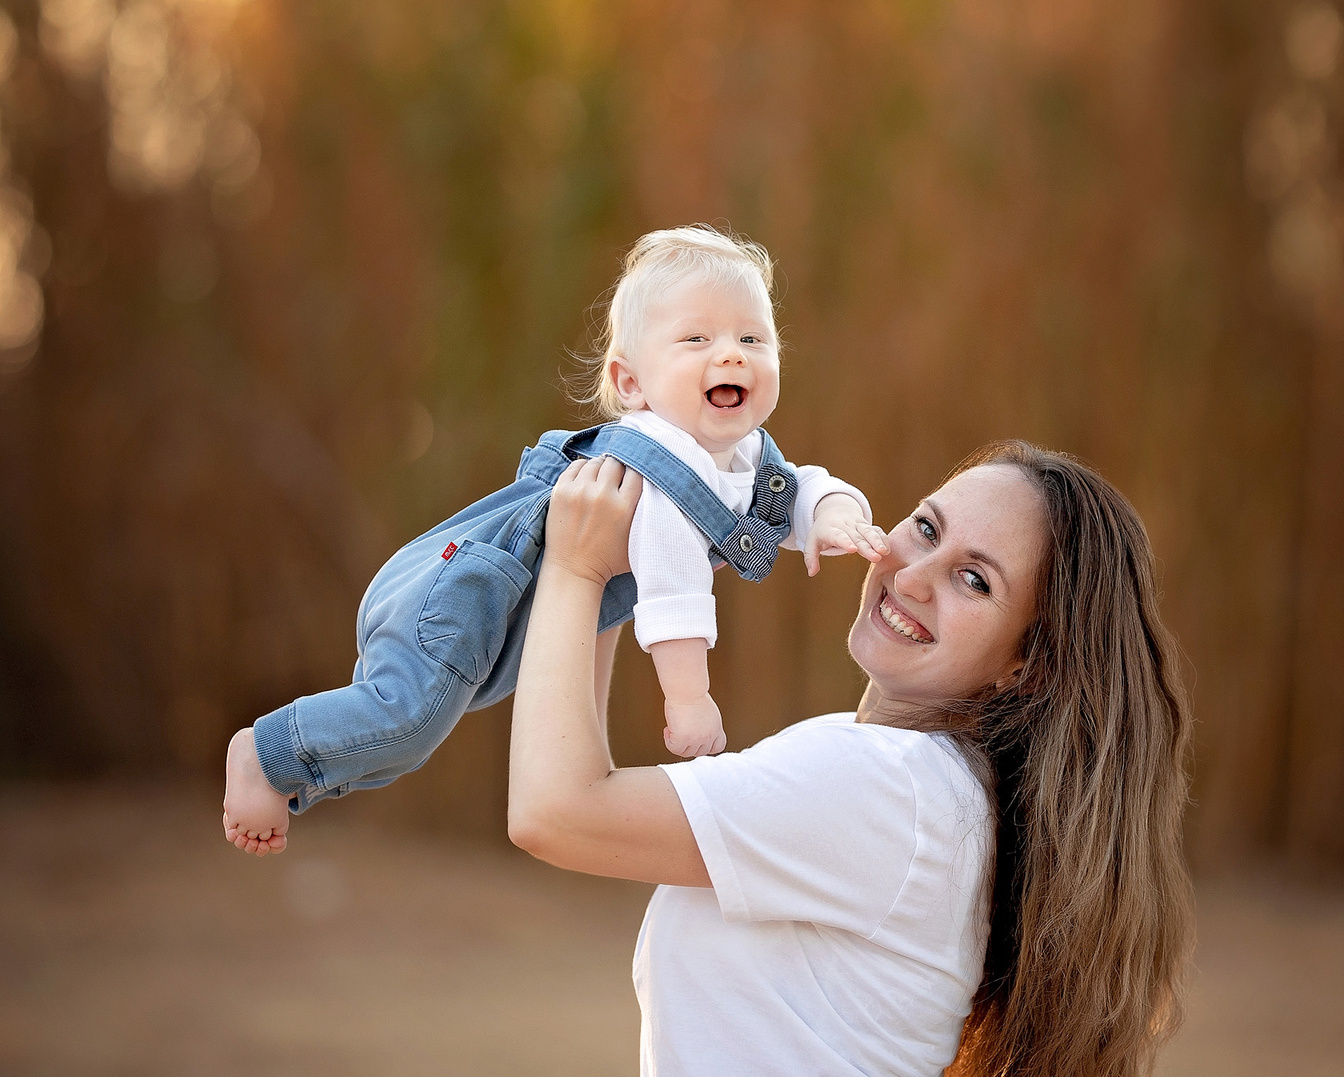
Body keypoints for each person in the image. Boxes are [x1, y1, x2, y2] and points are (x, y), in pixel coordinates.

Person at [506, 441, 1193, 1077]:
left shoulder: (891, 790)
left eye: (975, 580)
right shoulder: (889, 769)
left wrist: (576, 572)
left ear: (1026, 662)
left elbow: (557, 810)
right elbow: (584, 792)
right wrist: (620, 578)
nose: (911, 576)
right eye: (926, 528)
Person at [221, 226, 882, 853]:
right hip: (462, 590)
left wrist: (834, 514)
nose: (731, 353)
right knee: (409, 722)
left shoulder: (739, 457)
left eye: (752, 338)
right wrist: (689, 700)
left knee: (413, 736)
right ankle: (265, 754)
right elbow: (672, 585)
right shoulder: (660, 463)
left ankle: (293, 774)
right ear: (631, 384)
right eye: (696, 339)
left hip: (489, 603)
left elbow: (797, 486)